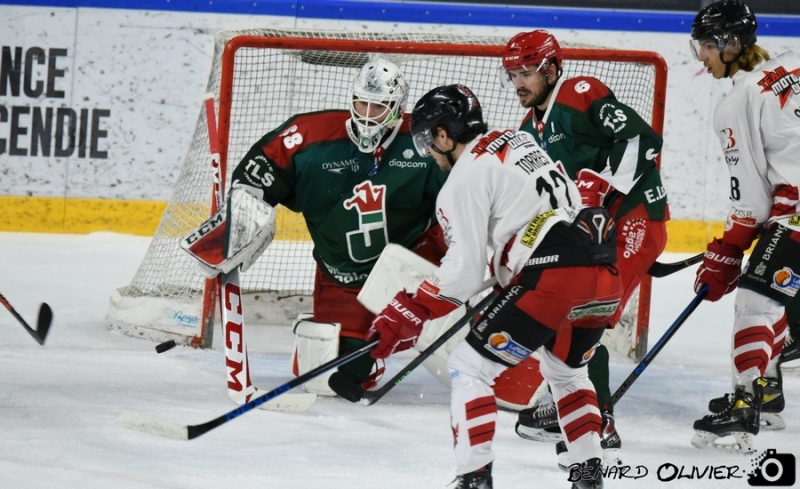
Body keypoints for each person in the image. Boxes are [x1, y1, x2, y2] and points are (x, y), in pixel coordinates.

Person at [367, 83, 623, 488]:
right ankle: (588, 477)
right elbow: (550, 212)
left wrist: (411, 308)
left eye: (426, 142)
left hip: (554, 274)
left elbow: (465, 271)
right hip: (603, 272)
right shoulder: (519, 139)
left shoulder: (461, 181)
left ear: (443, 135)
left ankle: (474, 477)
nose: (429, 155)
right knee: (569, 374)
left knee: (469, 367)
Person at [500, 29, 669, 467]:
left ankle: (601, 423)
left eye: (527, 73)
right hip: (595, 232)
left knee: (584, 313)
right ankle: (576, 406)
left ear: (553, 68)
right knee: (568, 306)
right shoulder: (528, 128)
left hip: (634, 217)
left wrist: (604, 187)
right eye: (513, 74)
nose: (519, 82)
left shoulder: (579, 93)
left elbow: (642, 140)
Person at [229, 59, 448, 394]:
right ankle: (357, 342)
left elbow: (463, 200)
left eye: (379, 106)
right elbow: (253, 177)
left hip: (410, 268)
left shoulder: (424, 143)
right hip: (341, 277)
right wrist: (239, 219)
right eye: (362, 102)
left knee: (460, 348)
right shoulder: (309, 137)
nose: (368, 113)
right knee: (327, 380)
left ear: (398, 107)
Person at [688, 0, 800, 453]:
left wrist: (727, 250)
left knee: (755, 301)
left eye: (707, 47)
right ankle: (767, 393)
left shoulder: (738, 101)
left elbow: (751, 204)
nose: (702, 58)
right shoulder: (794, 62)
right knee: (772, 290)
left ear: (730, 45)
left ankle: (744, 403)